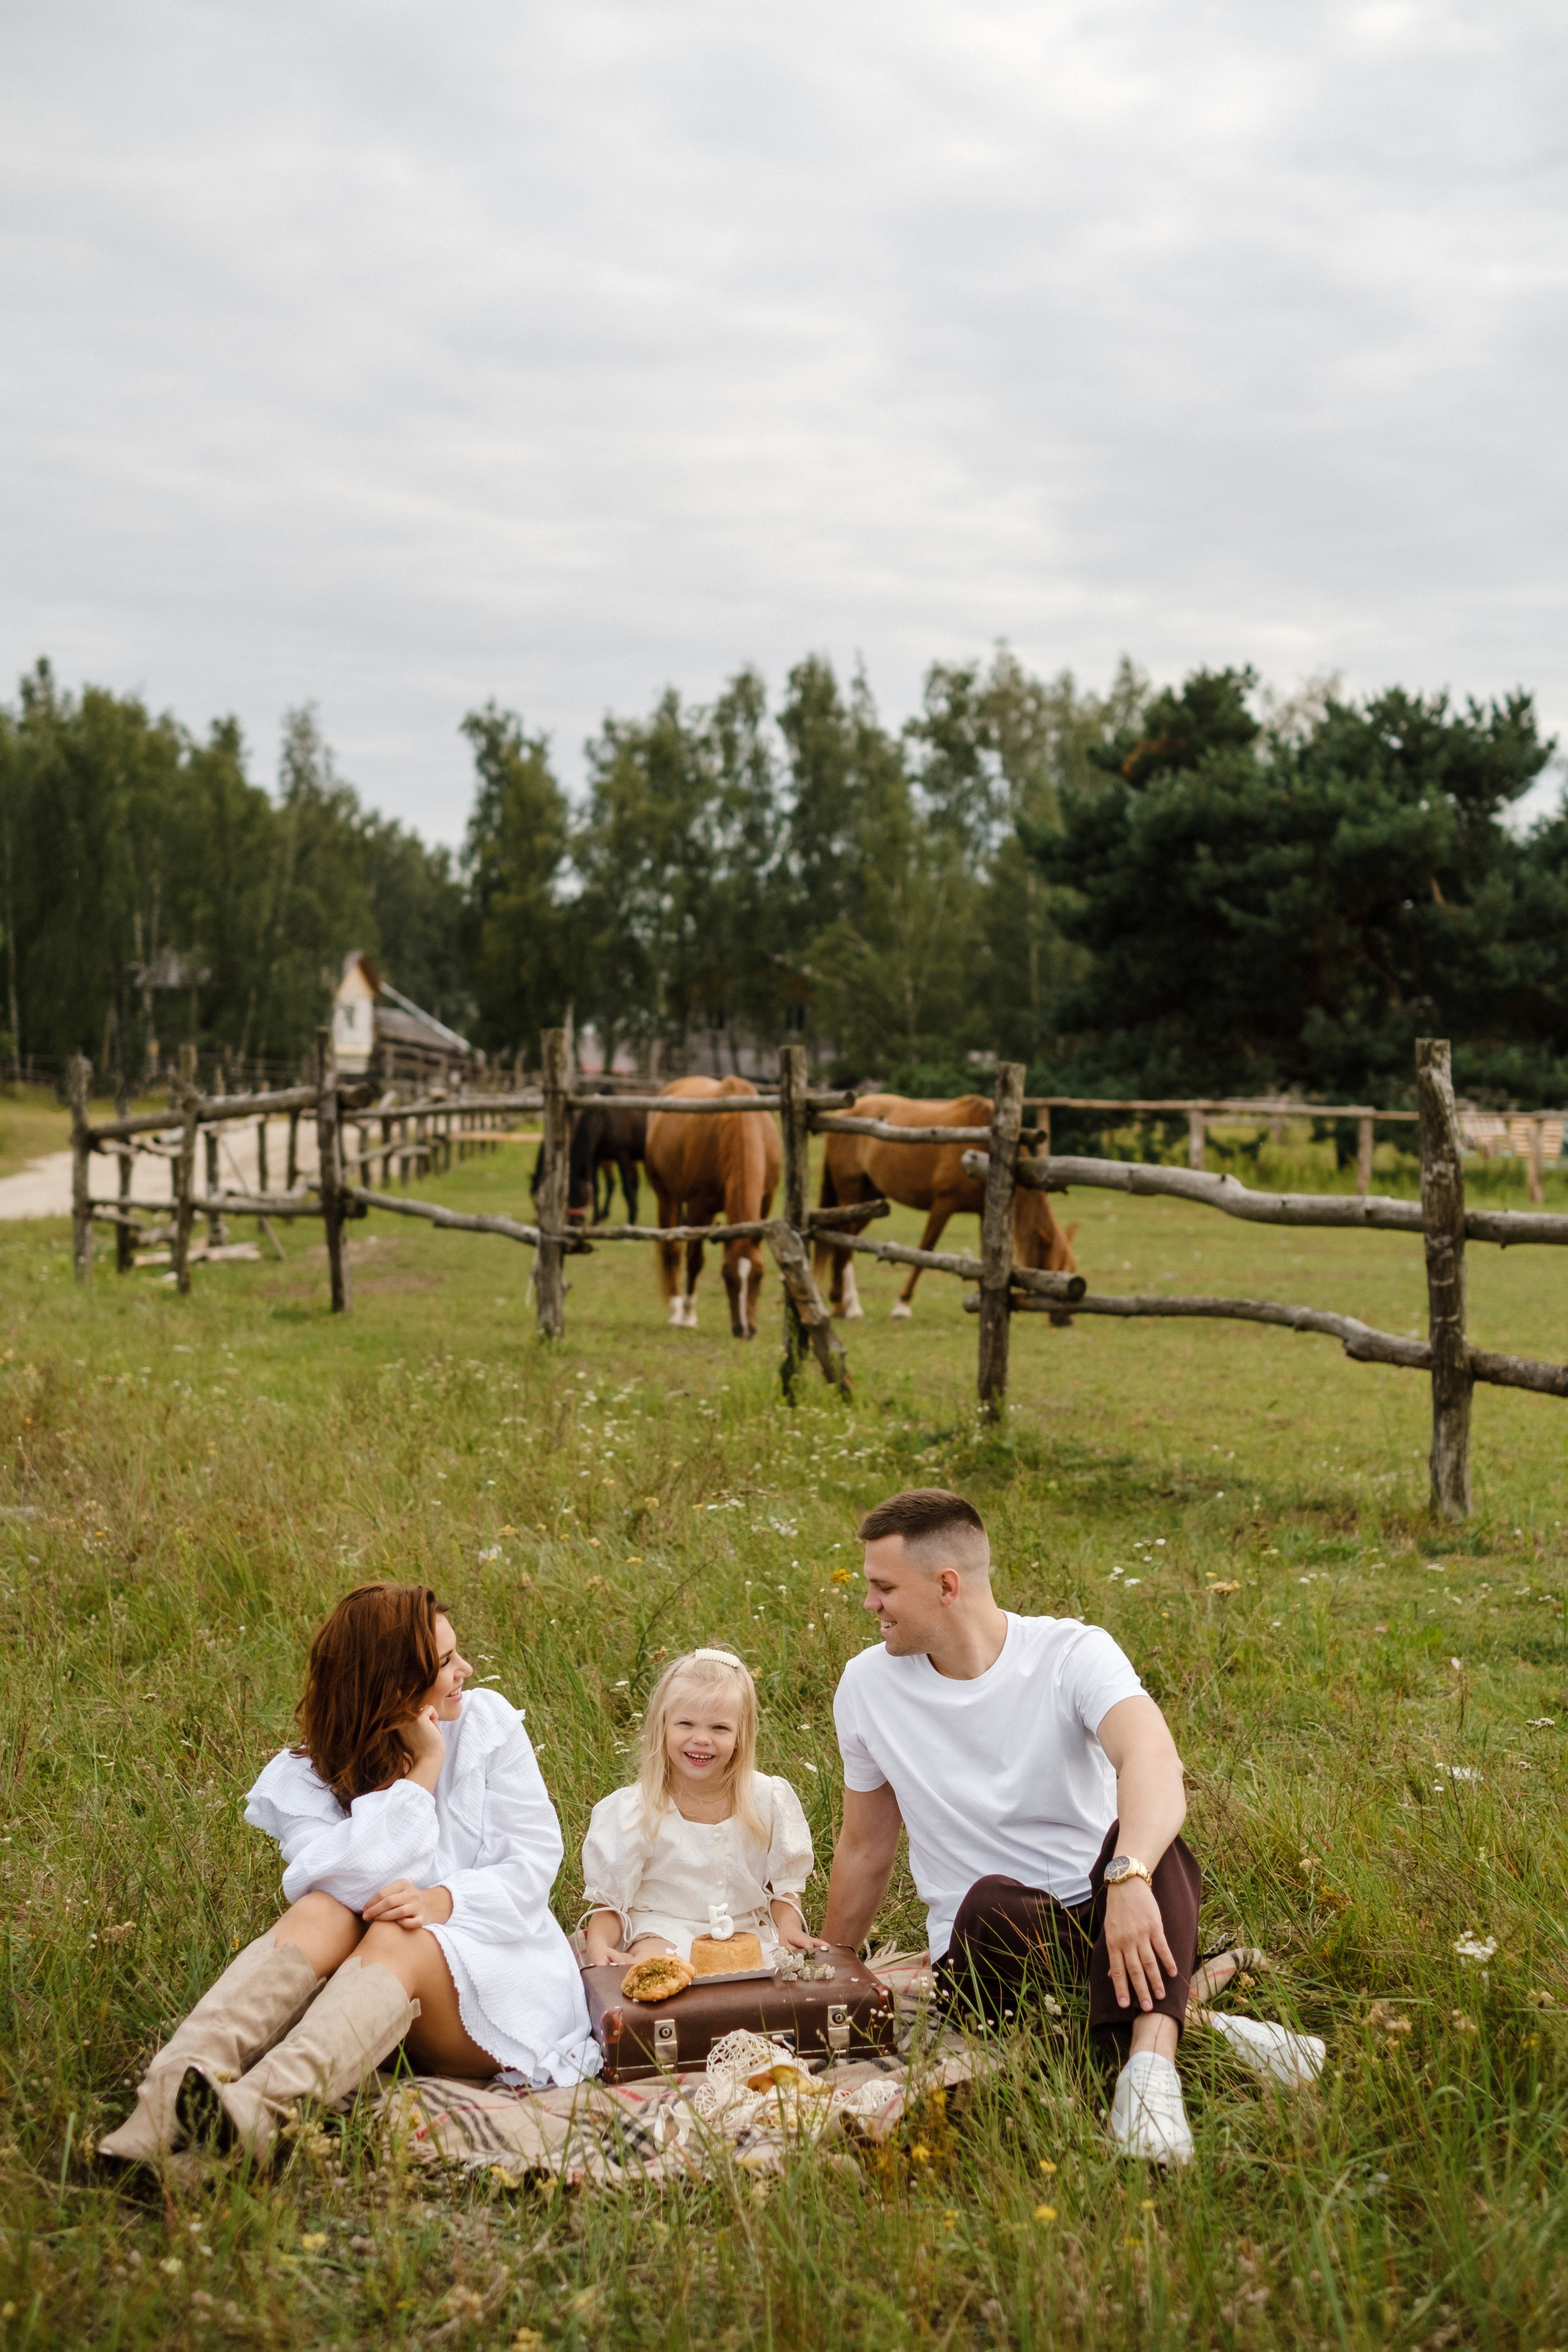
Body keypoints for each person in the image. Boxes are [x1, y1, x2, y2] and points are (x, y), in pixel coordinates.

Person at [100, 1582, 597, 2167]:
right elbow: (348, 1881)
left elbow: (534, 1864)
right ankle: (161, 2107)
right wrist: (421, 1775)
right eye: (444, 1662)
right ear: (393, 1685)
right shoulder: (302, 1779)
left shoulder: (486, 1725)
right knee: (323, 1907)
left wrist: (441, 1899)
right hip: (374, 1994)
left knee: (395, 1931)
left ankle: (263, 2106)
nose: (465, 1670)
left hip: (502, 1978)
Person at [821, 1489, 1206, 2165]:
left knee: (1152, 1840)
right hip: (990, 1944)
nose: (868, 1603)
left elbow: (1152, 1755)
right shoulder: (864, 1687)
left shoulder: (1071, 1653)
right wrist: (829, 1967)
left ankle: (1149, 2077)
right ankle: (1183, 2021)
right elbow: (863, 1846)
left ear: (946, 1585)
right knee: (990, 1901)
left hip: (1109, 1909)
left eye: (883, 1587)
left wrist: (1128, 1875)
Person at [579, 1648, 824, 1967]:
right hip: (663, 1928)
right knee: (659, 1968)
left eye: (719, 1728)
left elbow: (783, 1886)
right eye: (686, 1724)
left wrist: (789, 1927)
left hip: (743, 1931)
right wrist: (598, 1944)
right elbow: (610, 1902)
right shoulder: (636, 1809)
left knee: (769, 1980)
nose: (701, 1739)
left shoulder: (766, 1798)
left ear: (741, 1735)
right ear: (662, 1726)